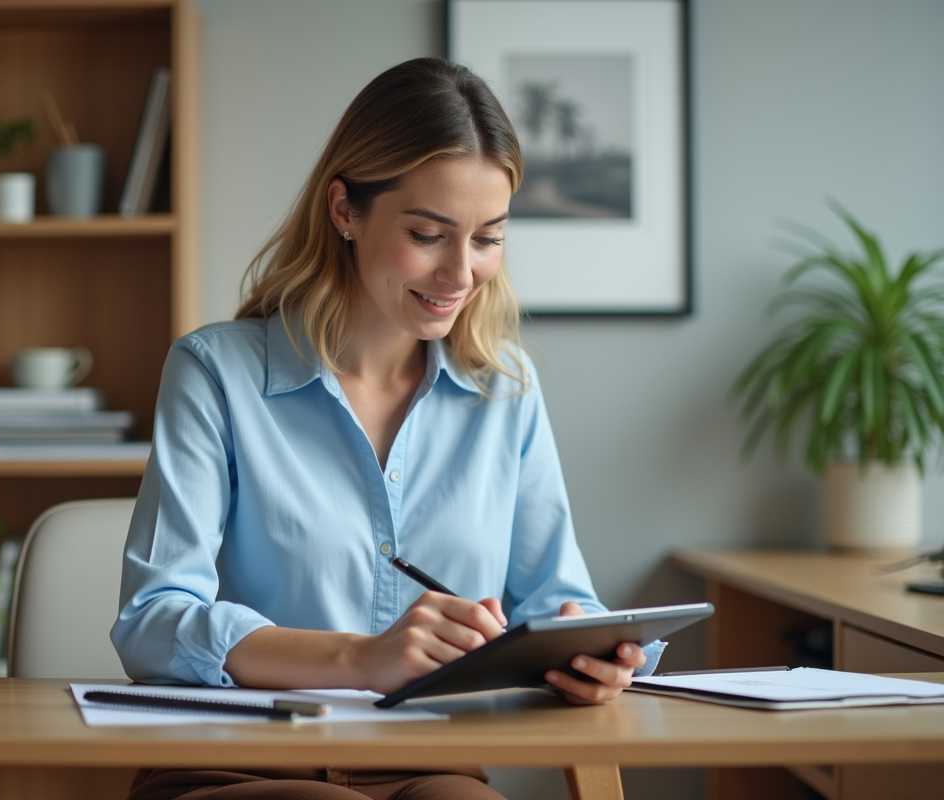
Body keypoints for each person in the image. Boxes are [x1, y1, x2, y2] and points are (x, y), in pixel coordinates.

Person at [111, 56, 662, 800]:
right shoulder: (216, 372)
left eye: (487, 238)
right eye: (429, 234)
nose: (461, 274)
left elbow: (560, 606)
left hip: (431, 762)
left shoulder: (506, 392)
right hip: (237, 753)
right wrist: (360, 660)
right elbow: (152, 622)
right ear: (345, 210)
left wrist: (596, 653)